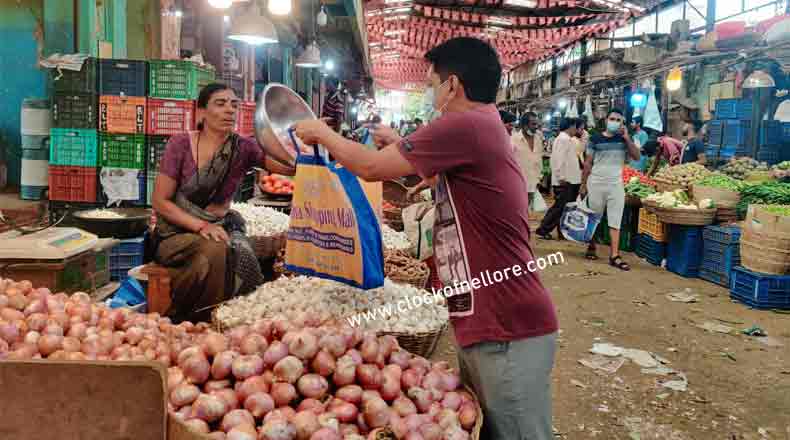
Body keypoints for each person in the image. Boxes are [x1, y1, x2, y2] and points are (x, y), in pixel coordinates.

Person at [293, 37, 558, 440]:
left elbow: (369, 168)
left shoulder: (465, 124)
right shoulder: (482, 124)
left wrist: (321, 134)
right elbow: (437, 177)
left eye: (432, 83)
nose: (429, 91)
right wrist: (398, 148)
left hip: (507, 322)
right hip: (493, 317)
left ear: (453, 85)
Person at [150, 83, 295, 322]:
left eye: (233, 104)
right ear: (201, 112)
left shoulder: (242, 148)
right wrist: (201, 226)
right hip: (175, 234)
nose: (229, 110)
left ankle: (219, 318)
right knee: (217, 249)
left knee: (235, 251)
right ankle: (197, 320)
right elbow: (160, 201)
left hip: (219, 227)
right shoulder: (180, 145)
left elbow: (286, 166)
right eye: (220, 103)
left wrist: (301, 142)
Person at [580, 108, 640, 271]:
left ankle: (614, 255)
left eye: (618, 120)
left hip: (616, 184)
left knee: (615, 220)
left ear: (623, 123)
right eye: (612, 119)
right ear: (606, 120)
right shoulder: (595, 139)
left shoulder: (624, 139)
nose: (614, 122)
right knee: (594, 218)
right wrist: (583, 184)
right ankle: (591, 246)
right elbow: (588, 162)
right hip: (596, 182)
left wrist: (627, 138)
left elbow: (636, 156)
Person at [536, 118, 581, 240]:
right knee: (559, 208)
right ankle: (543, 229)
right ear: (571, 126)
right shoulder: (563, 139)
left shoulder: (566, 139)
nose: (577, 130)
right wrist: (561, 177)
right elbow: (558, 160)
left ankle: (560, 232)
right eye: (576, 127)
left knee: (563, 208)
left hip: (569, 179)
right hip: (565, 180)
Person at [512, 112, 545, 207]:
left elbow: (539, 160)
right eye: (533, 124)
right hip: (517, 184)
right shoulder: (513, 140)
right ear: (524, 125)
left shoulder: (538, 139)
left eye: (537, 124)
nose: (536, 127)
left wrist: (539, 178)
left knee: (527, 210)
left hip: (532, 184)